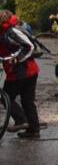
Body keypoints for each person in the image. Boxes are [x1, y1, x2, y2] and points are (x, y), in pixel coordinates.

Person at [0, 10, 42, 139]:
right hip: (27, 71)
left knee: (6, 96)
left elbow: (29, 46)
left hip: (21, 71)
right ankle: (33, 130)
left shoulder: (11, 31)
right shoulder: (4, 32)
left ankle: (21, 120)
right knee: (27, 100)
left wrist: (15, 58)